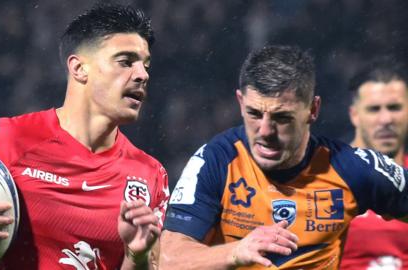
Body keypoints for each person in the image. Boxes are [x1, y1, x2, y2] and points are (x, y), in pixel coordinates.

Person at [0, 4, 169, 270]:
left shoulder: (150, 175)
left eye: (145, 65)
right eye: (125, 62)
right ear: (79, 69)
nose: (142, 75)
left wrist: (137, 257)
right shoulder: (9, 139)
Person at [159, 45, 408, 269]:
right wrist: (236, 251)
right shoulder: (216, 161)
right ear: (240, 101)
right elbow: (168, 259)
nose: (265, 132)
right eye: (254, 113)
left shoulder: (352, 168)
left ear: (312, 110)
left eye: (282, 118)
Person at [340, 58, 408, 269]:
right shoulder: (326, 175)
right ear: (354, 115)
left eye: (394, 107)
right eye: (374, 109)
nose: (386, 119)